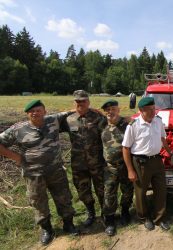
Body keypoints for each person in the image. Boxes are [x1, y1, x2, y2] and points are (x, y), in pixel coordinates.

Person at [0, 100, 79, 245]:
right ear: (27, 114)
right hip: (33, 174)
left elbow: (74, 111)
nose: (35, 113)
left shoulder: (53, 120)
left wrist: (95, 110)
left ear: (44, 111)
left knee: (64, 198)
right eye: (32, 111)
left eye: (38, 110)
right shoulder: (18, 129)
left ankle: (68, 224)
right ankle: (47, 229)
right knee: (38, 202)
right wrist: (15, 156)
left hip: (56, 171)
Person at [122, 96, 173, 231]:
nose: (152, 112)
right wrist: (130, 170)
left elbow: (163, 138)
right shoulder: (133, 125)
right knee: (141, 192)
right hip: (140, 163)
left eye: (153, 109)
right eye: (148, 110)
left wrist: (170, 152)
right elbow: (126, 148)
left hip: (157, 160)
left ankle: (159, 218)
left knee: (161, 190)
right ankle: (144, 217)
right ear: (140, 111)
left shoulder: (158, 121)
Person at [61, 90, 106, 227]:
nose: (80, 103)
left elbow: (109, 131)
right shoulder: (68, 119)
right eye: (77, 101)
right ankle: (91, 213)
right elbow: (48, 124)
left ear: (88, 102)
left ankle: (105, 214)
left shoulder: (98, 118)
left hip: (97, 162)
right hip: (78, 164)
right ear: (74, 102)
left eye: (83, 101)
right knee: (83, 190)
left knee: (102, 189)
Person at [100, 99, 134, 236]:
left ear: (118, 110)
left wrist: (131, 118)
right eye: (107, 110)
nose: (110, 112)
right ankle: (109, 219)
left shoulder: (127, 124)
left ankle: (125, 211)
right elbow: (89, 112)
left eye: (113, 109)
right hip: (109, 167)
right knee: (109, 193)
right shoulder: (101, 124)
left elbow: (140, 120)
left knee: (127, 191)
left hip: (126, 166)